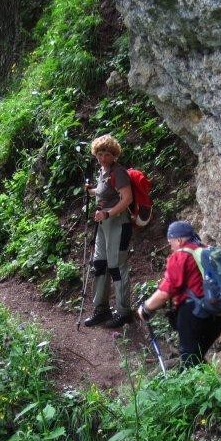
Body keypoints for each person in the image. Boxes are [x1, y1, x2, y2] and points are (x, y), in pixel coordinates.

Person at [137, 220, 221, 367]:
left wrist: (146, 307)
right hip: (216, 316)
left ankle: (192, 388)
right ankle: (211, 386)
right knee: (196, 360)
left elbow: (165, 291)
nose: (170, 246)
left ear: (178, 239)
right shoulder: (208, 250)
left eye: (170, 242)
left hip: (195, 316)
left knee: (189, 362)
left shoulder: (181, 256)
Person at [82, 134, 134, 329]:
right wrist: (92, 191)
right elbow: (105, 191)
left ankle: (123, 312)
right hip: (103, 224)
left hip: (118, 223)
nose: (102, 158)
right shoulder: (103, 171)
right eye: (100, 153)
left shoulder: (118, 172)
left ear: (114, 155)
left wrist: (108, 213)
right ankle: (101, 309)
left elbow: (126, 199)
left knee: (117, 267)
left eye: (106, 154)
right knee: (100, 264)